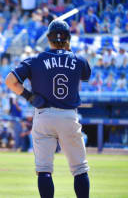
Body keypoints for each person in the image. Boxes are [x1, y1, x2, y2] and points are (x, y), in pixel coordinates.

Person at [5, 20, 91, 198]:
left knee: (44, 169)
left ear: (48, 38)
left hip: (44, 115)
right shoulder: (79, 60)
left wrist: (29, 96)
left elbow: (10, 81)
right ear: (68, 38)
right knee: (80, 169)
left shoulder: (36, 60)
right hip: (68, 116)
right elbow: (85, 75)